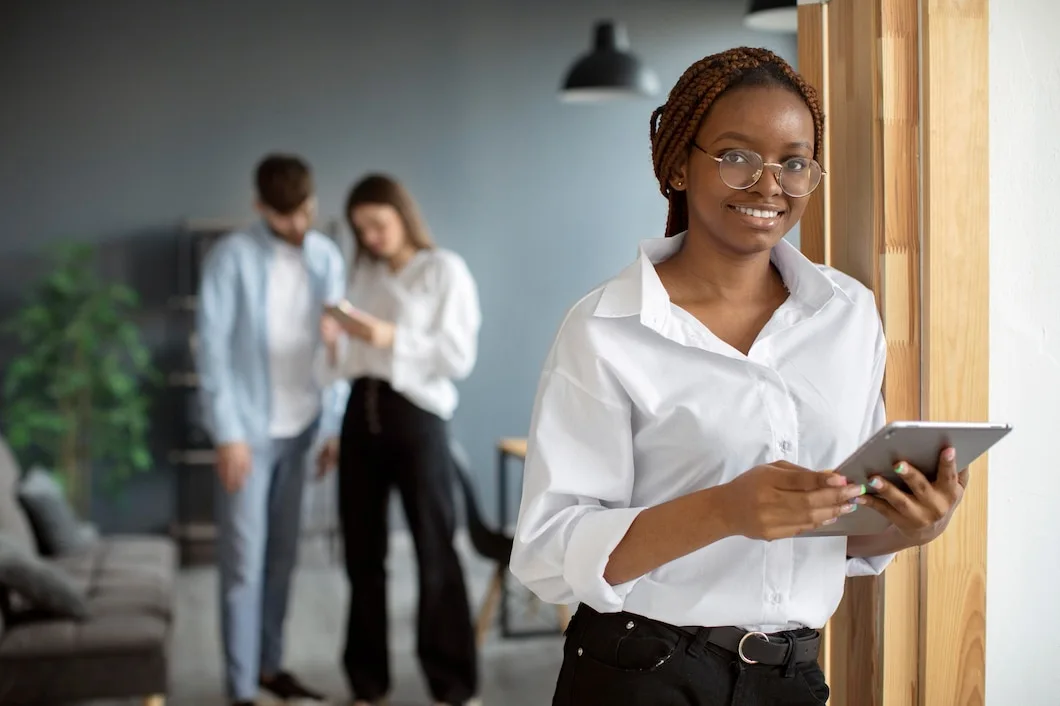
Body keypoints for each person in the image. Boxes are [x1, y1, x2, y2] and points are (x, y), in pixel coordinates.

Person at [509, 47, 970, 706]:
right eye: (736, 156)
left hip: (791, 678)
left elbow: (834, 533)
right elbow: (550, 553)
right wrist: (723, 510)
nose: (767, 184)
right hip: (642, 672)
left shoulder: (848, 315)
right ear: (678, 165)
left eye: (794, 162)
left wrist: (914, 525)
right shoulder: (605, 328)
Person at [318, 174, 481, 706]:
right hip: (358, 415)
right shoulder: (361, 273)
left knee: (436, 551)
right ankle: (367, 685)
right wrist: (334, 342)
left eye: (378, 224)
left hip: (416, 419)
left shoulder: (443, 269)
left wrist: (389, 336)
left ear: (402, 214)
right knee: (362, 557)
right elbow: (344, 365)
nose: (370, 237)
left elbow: (458, 357)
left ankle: (453, 687)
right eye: (361, 229)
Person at [196, 153, 349, 706]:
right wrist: (228, 435)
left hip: (304, 429)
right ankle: (240, 689)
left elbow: (338, 351)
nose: (298, 225)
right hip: (249, 435)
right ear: (260, 207)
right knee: (244, 562)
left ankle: (269, 667)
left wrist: (332, 425)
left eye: (304, 211)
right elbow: (211, 352)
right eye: (285, 216)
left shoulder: (326, 256)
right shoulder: (230, 258)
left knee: (284, 557)